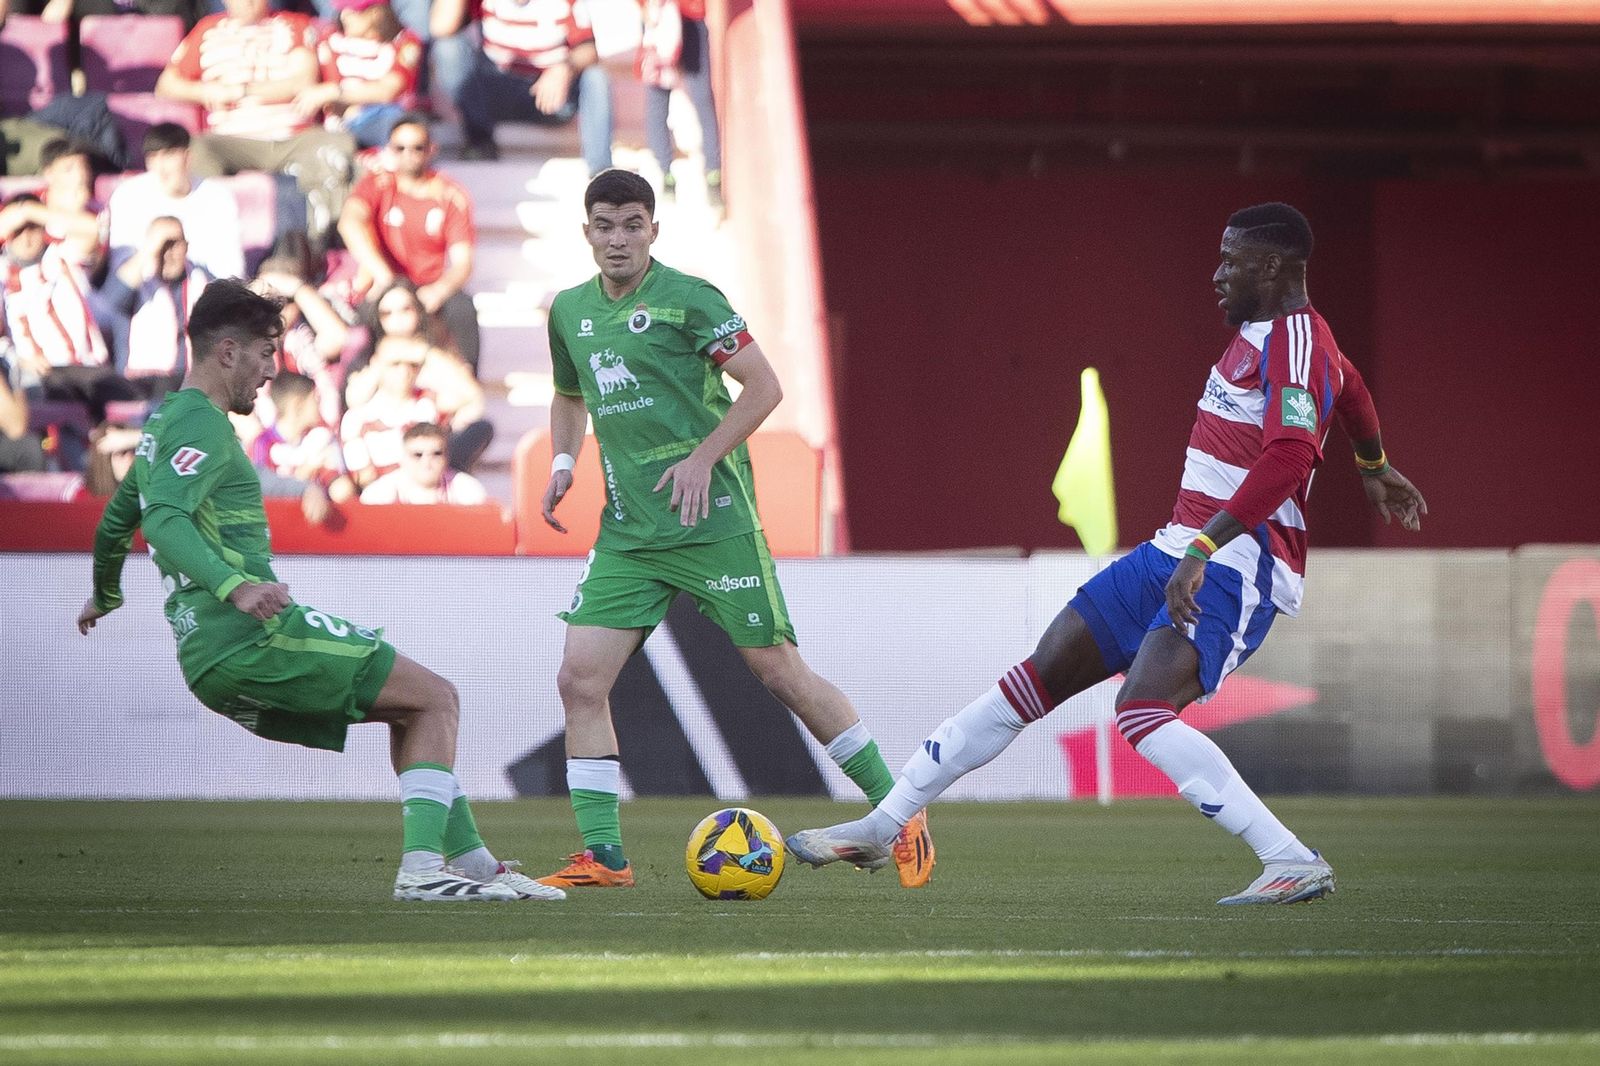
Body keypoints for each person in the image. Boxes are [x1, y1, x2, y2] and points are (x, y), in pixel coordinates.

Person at [785, 203, 1429, 906]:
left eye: (1231, 260)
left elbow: (1290, 454)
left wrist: (1208, 546)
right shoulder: (1270, 335)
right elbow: (1354, 385)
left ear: (1273, 267)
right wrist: (1373, 461)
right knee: (1034, 679)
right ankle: (886, 823)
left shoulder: (1297, 337)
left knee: (1142, 711)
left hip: (1238, 562)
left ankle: (1289, 858)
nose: (1216, 275)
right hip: (1173, 550)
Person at [76, 278, 565, 903]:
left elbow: (122, 516)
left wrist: (106, 592)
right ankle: (422, 871)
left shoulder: (165, 422)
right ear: (227, 352)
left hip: (212, 653)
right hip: (248, 636)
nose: (270, 371)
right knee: (437, 699)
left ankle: (471, 864)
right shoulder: (199, 424)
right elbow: (164, 522)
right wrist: (235, 589)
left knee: (410, 706)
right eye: (263, 353)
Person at [535, 169, 933, 890]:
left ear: (653, 230)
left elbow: (766, 386)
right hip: (629, 532)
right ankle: (605, 855)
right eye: (605, 226)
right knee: (580, 679)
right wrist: (565, 457)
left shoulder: (690, 299)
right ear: (586, 232)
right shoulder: (568, 311)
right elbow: (568, 394)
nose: (618, 239)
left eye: (632, 225)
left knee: (778, 670)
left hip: (712, 520)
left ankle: (900, 813)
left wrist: (701, 458)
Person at [156, 0, 357, 245]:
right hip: (232, 139)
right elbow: (166, 85)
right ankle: (209, 239)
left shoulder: (294, 24)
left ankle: (320, 241)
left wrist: (241, 90)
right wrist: (204, 91)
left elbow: (303, 80)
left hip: (293, 136)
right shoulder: (206, 30)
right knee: (198, 149)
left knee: (339, 145)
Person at [337, 115, 480, 373]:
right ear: (389, 150)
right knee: (363, 320)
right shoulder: (378, 183)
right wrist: (385, 279)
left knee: (462, 308)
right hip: (387, 280)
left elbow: (463, 263)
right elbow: (349, 222)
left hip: (429, 286)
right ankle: (351, 394)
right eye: (399, 148)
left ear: (432, 149)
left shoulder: (451, 194)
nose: (408, 154)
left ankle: (468, 381)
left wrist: (439, 291)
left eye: (417, 147)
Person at [430, 0, 614, 174]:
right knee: (448, 48)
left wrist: (565, 69)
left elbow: (589, 50)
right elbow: (440, 27)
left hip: (549, 98)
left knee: (595, 76)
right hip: (495, 93)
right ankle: (480, 142)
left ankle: (601, 172)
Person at [107, 123, 244, 283]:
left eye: (169, 155)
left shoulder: (217, 197)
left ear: (187, 157)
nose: (161, 167)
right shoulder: (128, 196)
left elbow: (231, 270)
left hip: (203, 291)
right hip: (145, 293)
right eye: (152, 158)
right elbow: (120, 272)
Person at [100, 215, 210, 399]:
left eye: (174, 244)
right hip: (138, 384)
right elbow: (112, 302)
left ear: (186, 247)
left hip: (188, 383)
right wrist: (149, 249)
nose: (168, 254)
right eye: (161, 246)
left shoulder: (201, 280)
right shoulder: (135, 279)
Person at [302, 0, 424, 151]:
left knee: (399, 127)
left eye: (352, 11)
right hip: (331, 126)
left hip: (378, 120)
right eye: (342, 9)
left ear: (375, 13)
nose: (344, 16)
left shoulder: (404, 41)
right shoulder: (327, 36)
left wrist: (334, 92)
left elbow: (389, 89)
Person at [637, 0, 721, 209]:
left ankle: (713, 174)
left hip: (691, 18)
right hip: (659, 17)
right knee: (658, 103)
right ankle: (665, 176)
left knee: (702, 99)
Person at [360, 421, 487, 504]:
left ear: (446, 457)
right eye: (417, 455)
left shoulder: (467, 490)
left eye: (436, 453)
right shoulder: (379, 494)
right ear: (403, 459)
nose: (427, 462)